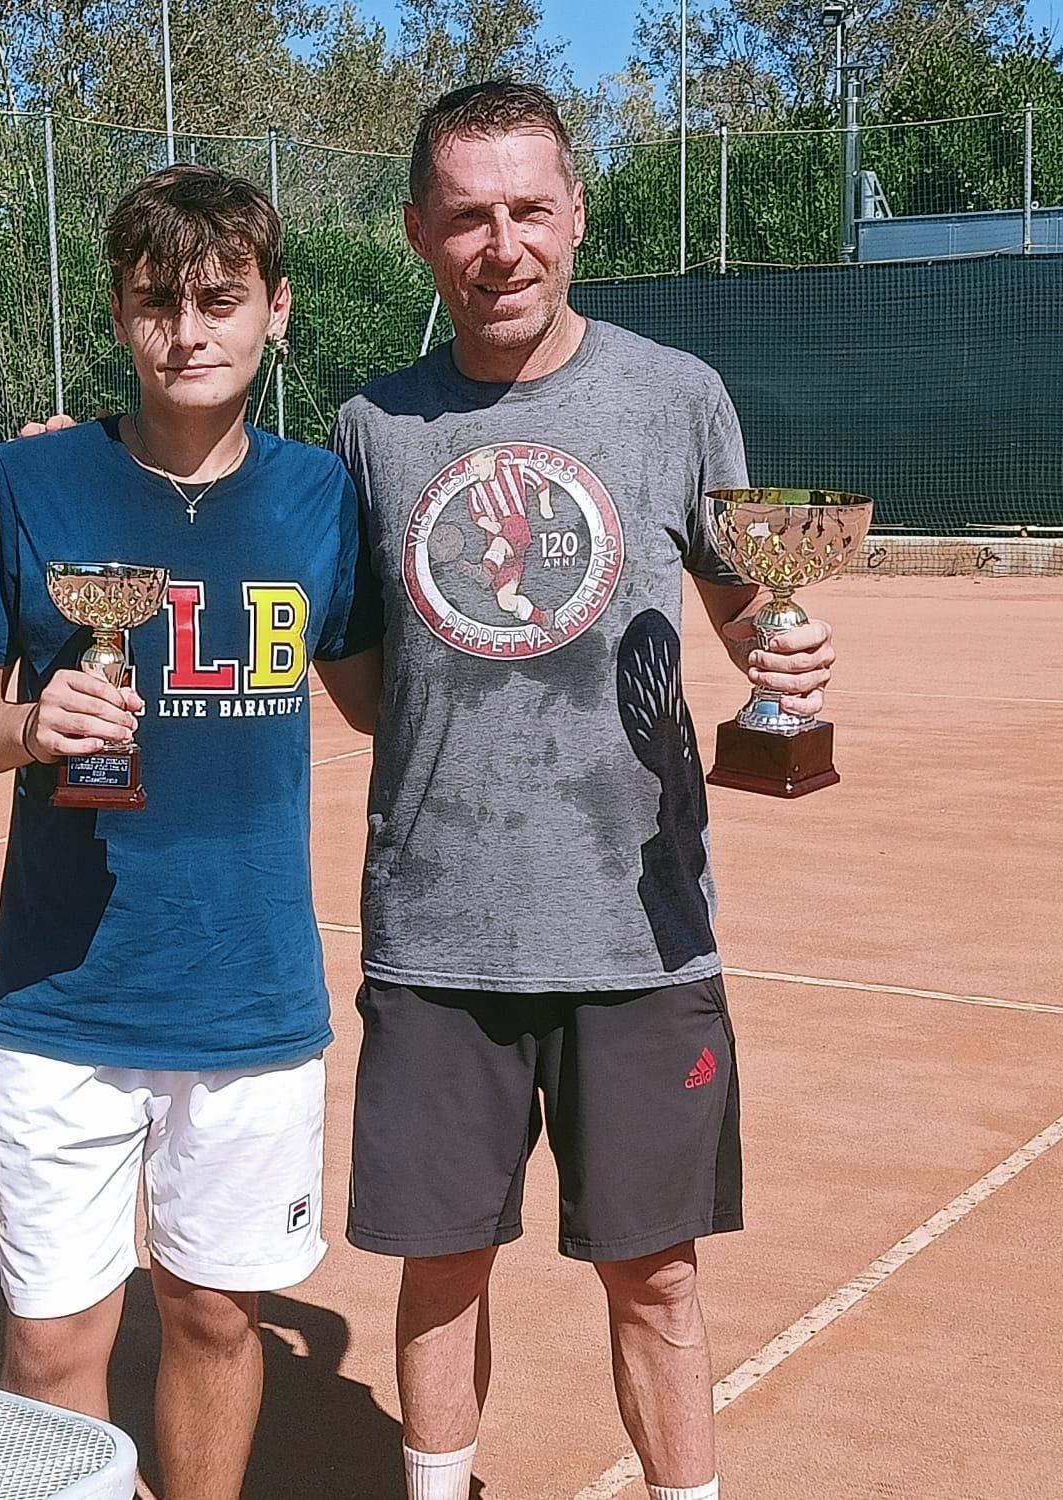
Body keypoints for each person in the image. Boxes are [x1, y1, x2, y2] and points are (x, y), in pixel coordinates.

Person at [315, 81, 838, 1500]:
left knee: (655, 1281)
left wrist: (782, 649)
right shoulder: (370, 427)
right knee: (439, 1272)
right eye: (469, 215)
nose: (502, 244)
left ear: (576, 218)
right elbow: (361, 675)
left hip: (639, 934)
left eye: (529, 209)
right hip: (436, 938)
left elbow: (742, 609)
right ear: (421, 232)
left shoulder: (677, 396)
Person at [0, 163, 376, 1500]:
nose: (189, 333)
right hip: (61, 994)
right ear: (118, 317)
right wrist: (27, 724)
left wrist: (526, 650)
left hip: (249, 999)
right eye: (155, 303)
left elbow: (377, 700)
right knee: (56, 1336)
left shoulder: (319, 499)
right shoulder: (32, 480)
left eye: (221, 300)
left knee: (215, 1314)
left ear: (277, 311)